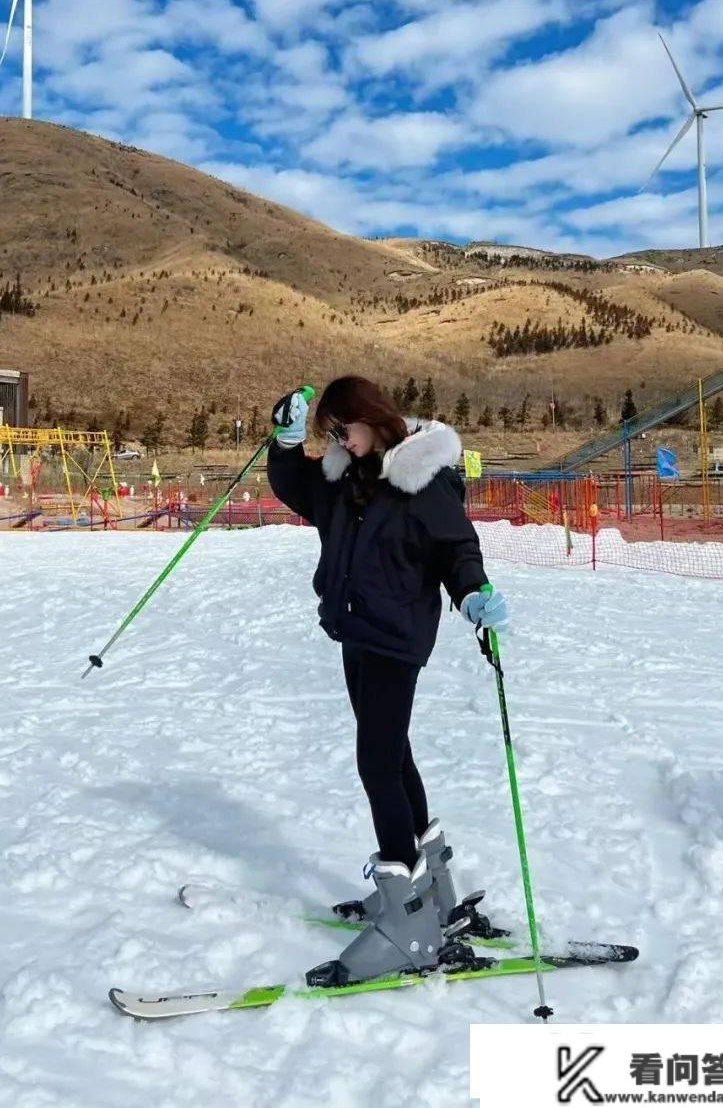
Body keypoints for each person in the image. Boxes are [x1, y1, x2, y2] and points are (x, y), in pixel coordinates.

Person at [266, 376, 509, 987]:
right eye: (328, 433)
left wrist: (474, 593)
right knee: (393, 756)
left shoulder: (417, 479)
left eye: (339, 428)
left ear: (371, 419)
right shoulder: (349, 476)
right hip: (356, 629)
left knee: (376, 762)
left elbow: (456, 547)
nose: (336, 440)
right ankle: (431, 887)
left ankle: (407, 916)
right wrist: (287, 444)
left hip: (395, 638)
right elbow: (297, 489)